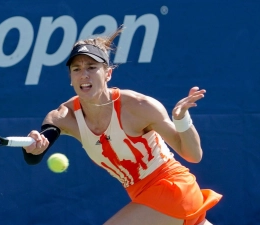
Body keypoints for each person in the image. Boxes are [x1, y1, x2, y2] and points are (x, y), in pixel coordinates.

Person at [22, 26, 222, 225]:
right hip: (149, 203)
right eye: (77, 69)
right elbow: (36, 153)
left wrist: (181, 120)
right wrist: (35, 146)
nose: (84, 74)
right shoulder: (63, 117)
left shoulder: (139, 106)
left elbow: (193, 155)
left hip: (173, 188)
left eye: (92, 67)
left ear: (108, 74)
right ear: (71, 79)